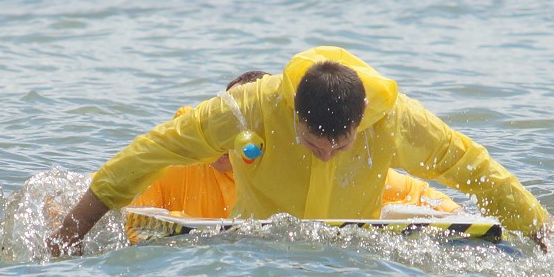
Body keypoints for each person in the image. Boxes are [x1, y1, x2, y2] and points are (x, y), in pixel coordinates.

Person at [47, 46, 552, 256]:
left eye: (341, 145)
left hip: (357, 258)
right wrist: (70, 233)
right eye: (314, 145)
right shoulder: (248, 110)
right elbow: (148, 154)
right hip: (255, 256)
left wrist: (545, 233)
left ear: (360, 123)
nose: (327, 155)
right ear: (294, 117)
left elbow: (475, 168)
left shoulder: (396, 120)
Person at [125, 70, 464, 239]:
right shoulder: (176, 166)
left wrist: (460, 219)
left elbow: (417, 196)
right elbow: (122, 203)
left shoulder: (302, 169)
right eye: (225, 128)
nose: (234, 141)